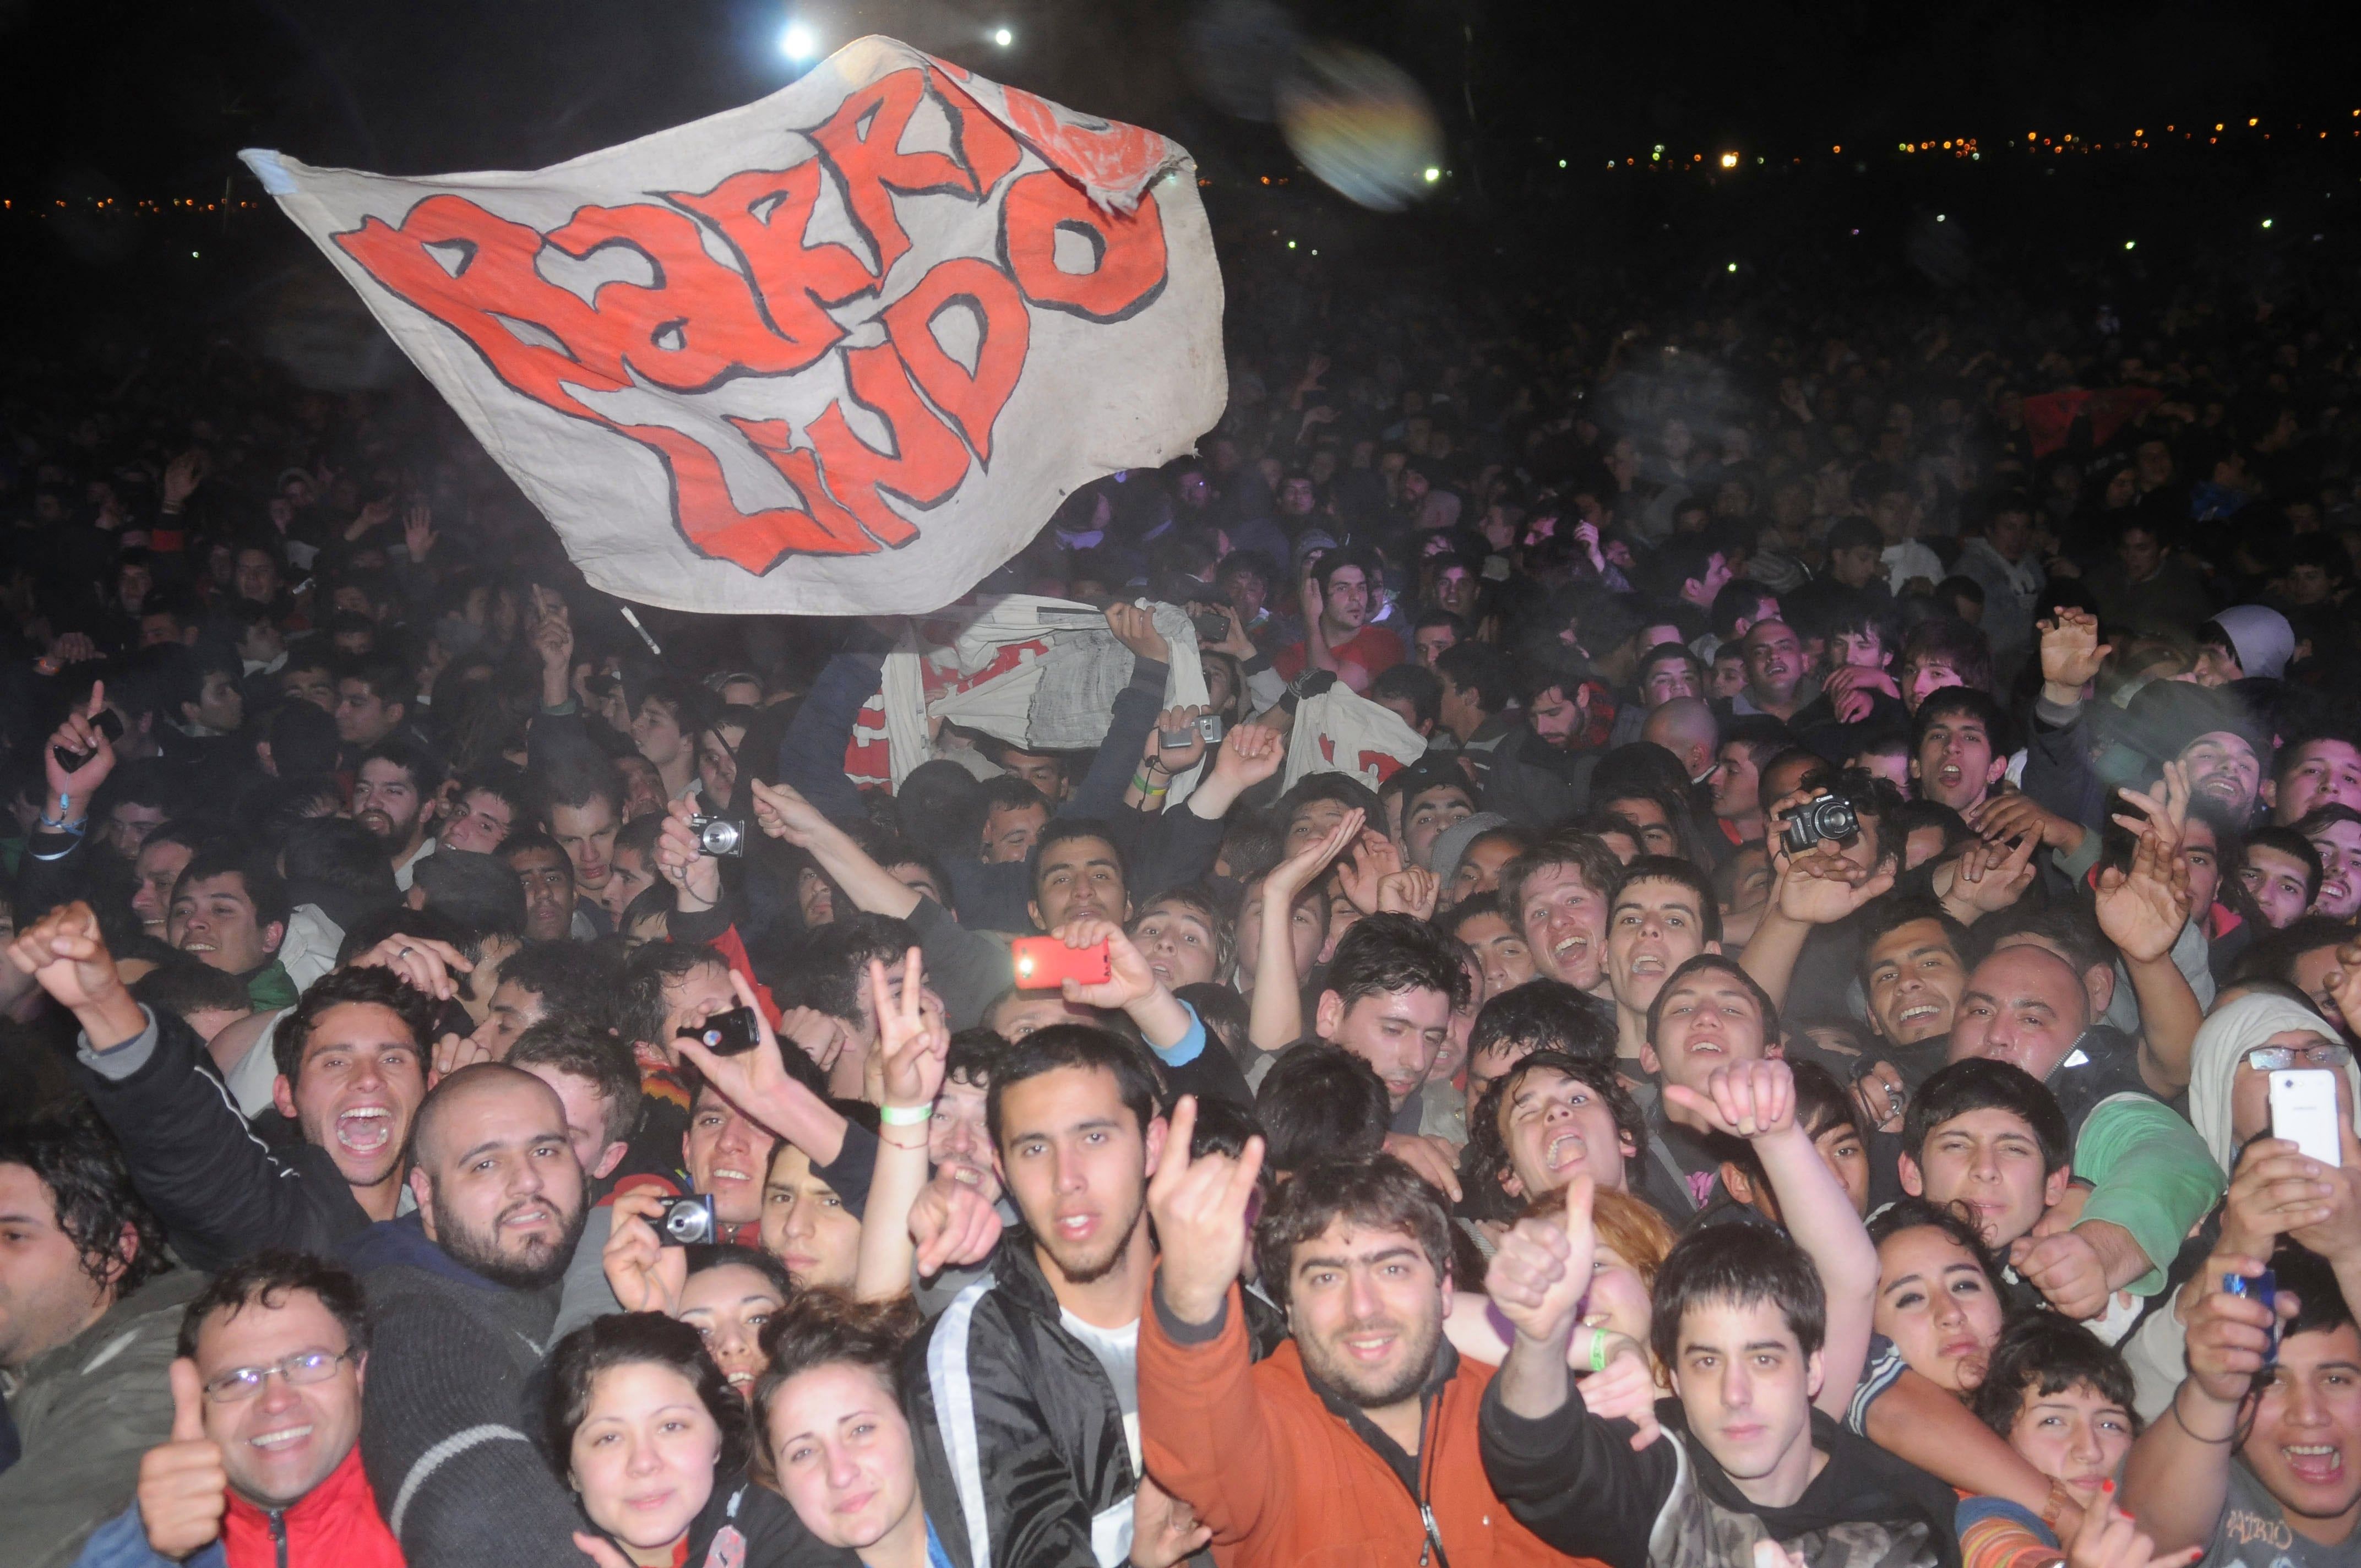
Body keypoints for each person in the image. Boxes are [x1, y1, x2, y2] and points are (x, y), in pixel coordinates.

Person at [1138, 1102, 1577, 1566]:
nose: (1363, 1307)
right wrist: (1190, 1296)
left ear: (1445, 1285)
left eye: (1392, 1269)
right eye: (1326, 1278)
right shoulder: (1262, 1427)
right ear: (1289, 1307)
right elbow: (1205, 1456)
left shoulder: (1529, 1418)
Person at [1479, 1175, 1959, 1568]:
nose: (1735, 1394)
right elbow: (1540, 1462)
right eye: (1707, 1362)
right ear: (1675, 1379)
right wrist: (1540, 1342)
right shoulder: (1659, 1468)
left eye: (1764, 1359)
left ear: (1814, 1370)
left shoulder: (1906, 1510)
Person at [346, 1063, 594, 1568]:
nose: (528, 1181)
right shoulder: (416, 1323)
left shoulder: (573, 1258)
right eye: (485, 1164)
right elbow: (470, 1501)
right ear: (427, 1195)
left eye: (546, 1151)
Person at [72, 1251, 401, 1568]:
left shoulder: (417, 1513)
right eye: (238, 1380)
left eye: (309, 1363)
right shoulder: (150, 1538)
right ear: (199, 1404)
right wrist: (147, 1552)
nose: (276, 1401)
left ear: (360, 1372)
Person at [0, 1113, 202, 1568]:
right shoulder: (36, 1369)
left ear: (113, 1253)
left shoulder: (162, 1366)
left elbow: (41, 1540)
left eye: (13, 1236)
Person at [541, 1311, 844, 1567]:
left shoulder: (773, 1524)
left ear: (718, 1437)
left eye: (671, 1426)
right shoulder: (533, 1548)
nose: (644, 1463)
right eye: (609, 1438)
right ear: (570, 1469)